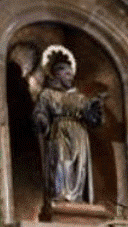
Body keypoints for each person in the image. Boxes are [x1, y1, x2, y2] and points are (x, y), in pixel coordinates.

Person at [32, 46, 105, 205]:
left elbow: (93, 120)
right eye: (66, 74)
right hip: (60, 130)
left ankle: (77, 197)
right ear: (56, 75)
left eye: (71, 75)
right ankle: (60, 195)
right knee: (61, 162)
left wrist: (96, 108)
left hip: (79, 133)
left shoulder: (80, 97)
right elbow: (40, 112)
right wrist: (41, 119)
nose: (70, 78)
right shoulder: (48, 94)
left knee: (79, 165)